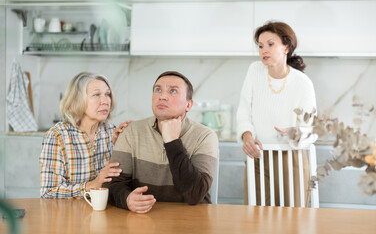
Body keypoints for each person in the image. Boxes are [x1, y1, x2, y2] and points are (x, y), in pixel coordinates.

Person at [104, 71, 219, 213]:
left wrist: (172, 142)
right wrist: (127, 199)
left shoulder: (205, 136)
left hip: (192, 220)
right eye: (158, 90)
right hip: (143, 220)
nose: (162, 96)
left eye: (173, 91)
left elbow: (194, 194)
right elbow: (113, 184)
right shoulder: (130, 131)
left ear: (188, 105)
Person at [236, 21, 317, 207]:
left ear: (286, 47)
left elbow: (312, 129)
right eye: (261, 46)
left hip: (291, 160)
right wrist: (247, 137)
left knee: (292, 222)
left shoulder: (302, 83)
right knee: (255, 220)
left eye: (271, 44)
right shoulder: (254, 71)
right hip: (258, 157)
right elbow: (244, 112)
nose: (264, 50)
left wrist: (297, 133)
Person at [40, 72, 131, 198]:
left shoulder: (112, 132)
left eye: (107, 94)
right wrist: (92, 185)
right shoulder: (57, 136)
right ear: (77, 100)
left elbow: (121, 182)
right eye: (96, 95)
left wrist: (122, 148)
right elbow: (48, 193)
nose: (105, 101)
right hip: (70, 215)